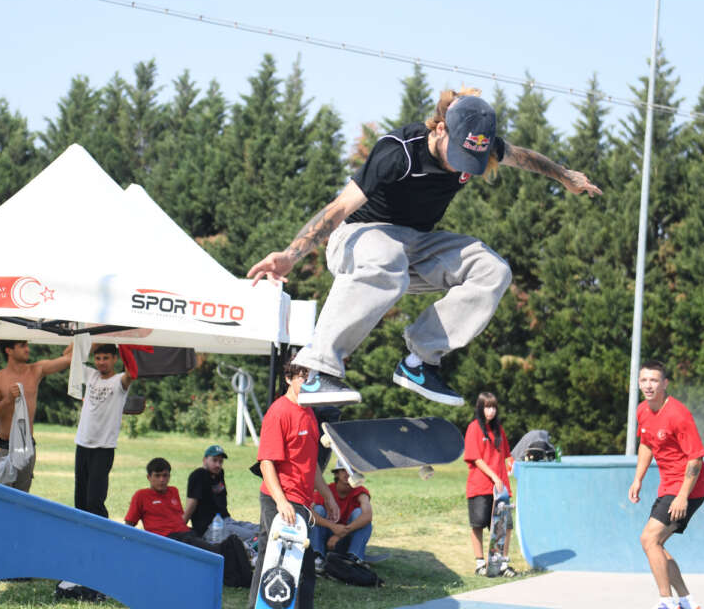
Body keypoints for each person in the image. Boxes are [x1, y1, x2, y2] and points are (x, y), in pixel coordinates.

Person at [248, 89, 602, 407]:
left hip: (414, 247)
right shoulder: (398, 152)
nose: (459, 166)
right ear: (440, 129)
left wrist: (565, 176)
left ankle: (418, 361)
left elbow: (523, 157)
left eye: (470, 160)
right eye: (457, 155)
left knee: (493, 270)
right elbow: (341, 207)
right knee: (387, 256)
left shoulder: (480, 143)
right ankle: (318, 369)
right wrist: (291, 254)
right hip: (358, 238)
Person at [247, 357, 340, 609]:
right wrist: (281, 501)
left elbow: (311, 465)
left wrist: (328, 496)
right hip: (280, 499)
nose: (308, 383)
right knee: (294, 565)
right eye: (302, 378)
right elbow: (266, 463)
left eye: (312, 379)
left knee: (275, 560)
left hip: (301, 499)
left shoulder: (309, 412)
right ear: (288, 379)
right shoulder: (279, 412)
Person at [628, 359, 704, 609]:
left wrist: (683, 496)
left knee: (648, 539)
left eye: (654, 380)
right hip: (668, 486)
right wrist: (638, 479)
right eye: (644, 380)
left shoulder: (678, 414)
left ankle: (667, 604)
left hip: (687, 488)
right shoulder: (642, 410)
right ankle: (687, 603)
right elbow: (646, 444)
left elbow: (695, 458)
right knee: (656, 545)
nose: (648, 385)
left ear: (665, 384)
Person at [124, 457, 253, 587]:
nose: (162, 480)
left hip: (187, 534)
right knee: (217, 551)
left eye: (165, 475)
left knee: (231, 542)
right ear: (149, 477)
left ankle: (243, 573)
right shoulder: (141, 495)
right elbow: (129, 524)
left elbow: (178, 518)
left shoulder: (173, 491)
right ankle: (238, 577)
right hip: (168, 539)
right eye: (157, 476)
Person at [0, 339, 71, 492]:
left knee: (22, 498)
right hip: (3, 447)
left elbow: (68, 359)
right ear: (9, 350)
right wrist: (8, 400)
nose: (28, 349)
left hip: (26, 446)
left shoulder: (36, 370)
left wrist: (91, 337)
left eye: (27, 345)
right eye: (22, 346)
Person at [73, 343, 132, 518]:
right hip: (82, 444)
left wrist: (124, 345)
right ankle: (81, 531)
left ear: (115, 359)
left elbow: (131, 374)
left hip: (103, 448)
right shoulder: (91, 375)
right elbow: (71, 357)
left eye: (106, 358)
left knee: (94, 501)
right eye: (97, 358)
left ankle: (101, 531)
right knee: (80, 500)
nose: (101, 362)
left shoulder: (119, 380)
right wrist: (95, 342)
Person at [464, 391, 514, 576]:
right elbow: (476, 458)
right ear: (480, 408)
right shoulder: (474, 428)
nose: (491, 411)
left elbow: (507, 456)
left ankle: (502, 564)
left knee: (505, 526)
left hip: (500, 488)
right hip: (481, 485)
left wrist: (515, 466)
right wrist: (494, 476)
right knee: (478, 525)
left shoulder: (499, 429)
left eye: (493, 407)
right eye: (487, 407)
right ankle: (480, 564)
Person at [183, 444, 257, 544]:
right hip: (210, 528)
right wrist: (181, 527)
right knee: (252, 536)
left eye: (221, 461)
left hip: (226, 521)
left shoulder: (219, 474)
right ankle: (250, 553)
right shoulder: (198, 475)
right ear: (204, 460)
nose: (218, 465)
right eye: (214, 460)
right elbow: (191, 504)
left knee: (261, 529)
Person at [310, 463, 373, 572]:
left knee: (360, 514)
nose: (348, 473)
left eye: (351, 470)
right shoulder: (327, 490)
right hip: (325, 539)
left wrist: (340, 534)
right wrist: (332, 526)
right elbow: (309, 513)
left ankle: (354, 558)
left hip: (345, 539)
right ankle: (317, 557)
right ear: (337, 474)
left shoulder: (360, 491)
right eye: (344, 470)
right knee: (318, 510)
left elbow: (368, 516)